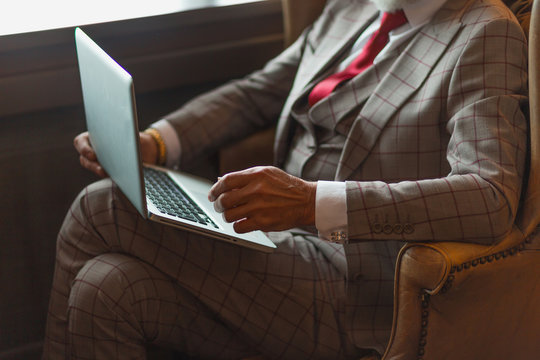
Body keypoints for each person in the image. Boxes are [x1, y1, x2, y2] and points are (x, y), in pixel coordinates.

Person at [43, 0, 529, 358]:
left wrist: (312, 202)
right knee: (102, 290)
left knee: (99, 207)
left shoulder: (485, 32)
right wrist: (157, 141)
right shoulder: (353, 9)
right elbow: (257, 93)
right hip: (276, 245)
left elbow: (490, 196)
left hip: (354, 280)